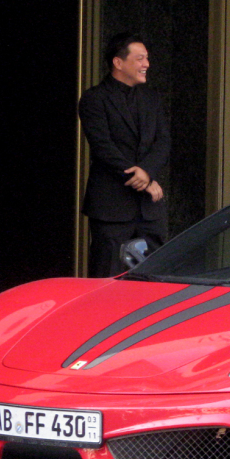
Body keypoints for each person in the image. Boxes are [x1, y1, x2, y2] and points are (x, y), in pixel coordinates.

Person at [79, 32, 171, 277]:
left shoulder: (152, 98)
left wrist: (147, 173)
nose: (147, 65)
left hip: (149, 211)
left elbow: (163, 142)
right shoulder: (94, 98)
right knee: (107, 278)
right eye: (140, 59)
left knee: (154, 280)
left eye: (147, 59)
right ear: (118, 63)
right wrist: (142, 179)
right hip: (111, 206)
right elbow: (102, 147)